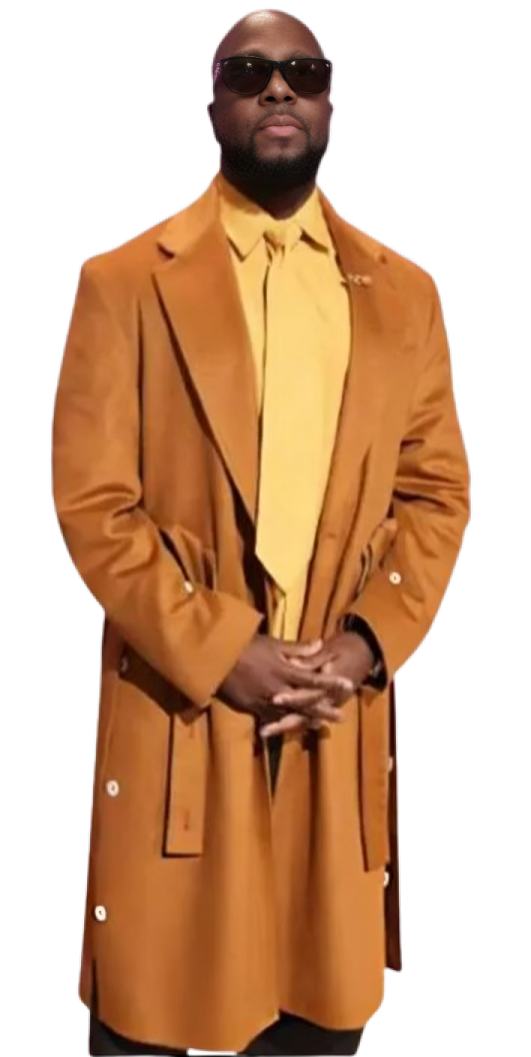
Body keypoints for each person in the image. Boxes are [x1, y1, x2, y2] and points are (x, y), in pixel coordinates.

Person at [51, 6, 471, 1055]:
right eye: (248, 71)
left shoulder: (405, 295)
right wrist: (218, 647)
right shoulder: (122, 282)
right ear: (212, 106)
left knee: (320, 1017)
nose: (277, 87)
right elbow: (93, 501)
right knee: (162, 1018)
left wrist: (366, 643)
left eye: (303, 71)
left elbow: (436, 493)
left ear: (331, 104)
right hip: (185, 712)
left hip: (334, 714)